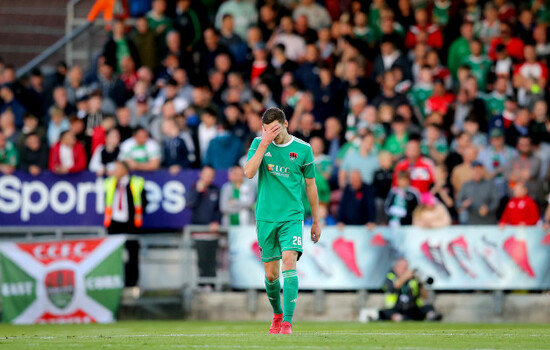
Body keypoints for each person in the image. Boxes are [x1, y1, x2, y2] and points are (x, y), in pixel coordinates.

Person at [244, 107, 321, 335]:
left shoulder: (303, 150)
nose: (272, 135)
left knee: (289, 261)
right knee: (271, 275)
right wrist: (265, 143)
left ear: (286, 124)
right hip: (266, 218)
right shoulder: (259, 143)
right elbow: (248, 172)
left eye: (276, 130)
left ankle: (287, 322)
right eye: (268, 130)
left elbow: (311, 186)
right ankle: (277, 314)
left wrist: (316, 221)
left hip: (292, 217)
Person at [103, 161, 147, 287]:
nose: (115, 171)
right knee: (113, 255)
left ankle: (132, 283)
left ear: (125, 170)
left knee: (133, 255)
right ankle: (114, 283)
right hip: (114, 223)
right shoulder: (111, 183)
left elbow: (143, 202)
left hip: (131, 224)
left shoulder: (136, 183)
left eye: (118, 168)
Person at [186, 166, 222, 279]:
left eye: (211, 176)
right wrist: (198, 191)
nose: (208, 178)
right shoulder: (194, 188)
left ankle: (211, 284)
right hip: (199, 231)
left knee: (212, 258)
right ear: (201, 175)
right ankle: (202, 283)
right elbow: (190, 203)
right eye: (206, 175)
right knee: (202, 259)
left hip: (212, 231)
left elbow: (219, 209)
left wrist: (216, 222)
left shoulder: (215, 190)